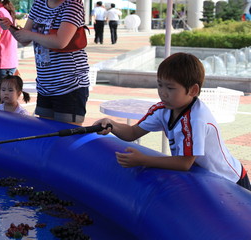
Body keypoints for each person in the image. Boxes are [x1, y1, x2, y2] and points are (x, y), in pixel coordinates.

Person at [94, 53, 251, 191]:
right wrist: (111, 124)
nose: (163, 93)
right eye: (159, 85)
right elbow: (133, 132)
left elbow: (184, 163)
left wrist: (142, 160)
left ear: (193, 90)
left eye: (170, 88)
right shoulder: (162, 109)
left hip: (231, 180)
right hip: (204, 178)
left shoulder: (196, 118)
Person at [1, 0, 89, 124]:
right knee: (46, 134)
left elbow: (60, 41)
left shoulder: (73, 3)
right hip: (45, 85)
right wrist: (10, 27)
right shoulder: (40, 2)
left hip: (69, 85)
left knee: (66, 136)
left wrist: (30, 35)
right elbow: (24, 37)